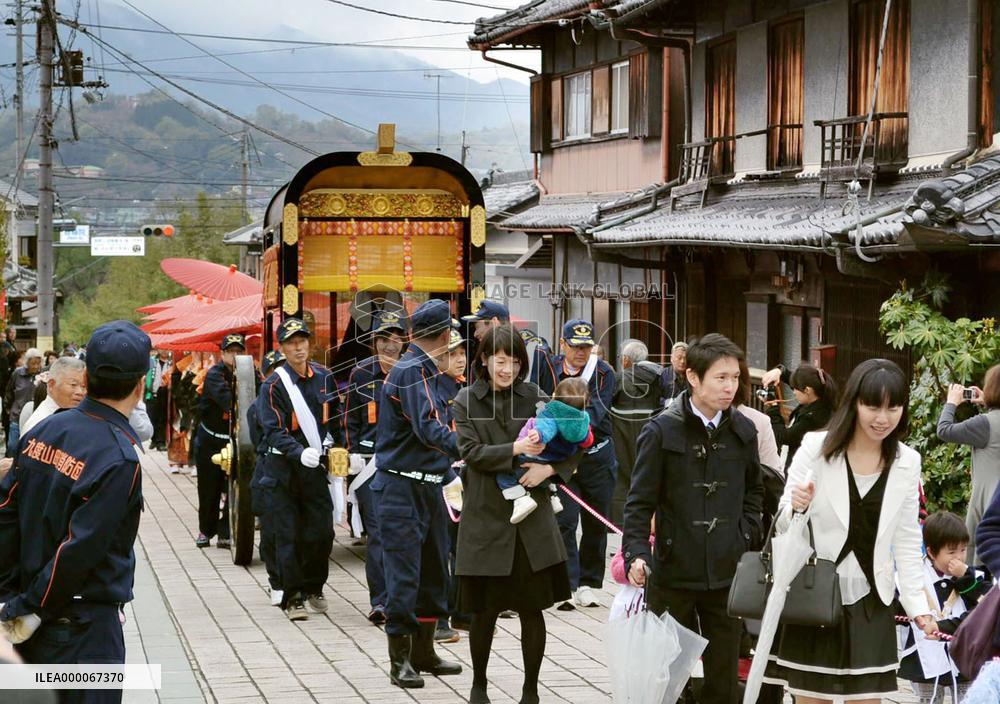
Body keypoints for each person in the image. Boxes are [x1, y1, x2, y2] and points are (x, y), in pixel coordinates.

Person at [761, 358, 936, 703]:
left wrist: (919, 607)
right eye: (873, 406)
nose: (883, 418)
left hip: (872, 600)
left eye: (893, 407)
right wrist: (797, 506)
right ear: (854, 401)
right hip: (816, 595)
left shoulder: (907, 461)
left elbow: (906, 539)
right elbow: (782, 521)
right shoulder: (816, 448)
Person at [0, 320, 150, 703]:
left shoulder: (43, 431)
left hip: (27, 624)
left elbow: (6, 513)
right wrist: (30, 608)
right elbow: (78, 549)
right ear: (140, 385)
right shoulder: (118, 459)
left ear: (85, 375)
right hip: (81, 629)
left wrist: (12, 602)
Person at [624, 333, 764, 704]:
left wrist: (746, 534)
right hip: (673, 568)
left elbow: (755, 492)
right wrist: (635, 552)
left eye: (735, 377)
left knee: (723, 676)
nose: (730, 386)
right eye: (721, 377)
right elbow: (639, 501)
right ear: (693, 378)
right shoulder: (661, 430)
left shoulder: (743, 431)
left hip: (726, 571)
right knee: (668, 676)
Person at [453, 324, 581, 704]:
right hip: (486, 515)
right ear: (485, 361)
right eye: (500, 360)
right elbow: (471, 451)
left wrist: (551, 470)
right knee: (484, 611)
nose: (506, 369)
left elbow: (576, 438)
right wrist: (516, 447)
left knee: (531, 608)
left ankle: (531, 691)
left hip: (532, 518)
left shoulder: (537, 397)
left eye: (514, 361)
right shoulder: (465, 399)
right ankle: (479, 685)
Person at [372, 298, 463, 688]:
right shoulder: (412, 372)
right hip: (401, 487)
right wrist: (475, 448)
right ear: (443, 334)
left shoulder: (424, 369)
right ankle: (400, 660)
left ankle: (424, 651)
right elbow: (429, 428)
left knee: (432, 574)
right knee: (404, 575)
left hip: (428, 486)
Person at [532, 319, 616, 609]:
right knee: (564, 521)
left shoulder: (604, 373)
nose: (581, 352)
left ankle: (589, 583)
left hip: (596, 455)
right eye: (575, 346)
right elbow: (539, 404)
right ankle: (566, 583)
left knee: (596, 523)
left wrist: (556, 419)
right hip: (561, 459)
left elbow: (593, 415)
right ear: (563, 344)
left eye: (586, 347)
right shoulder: (547, 367)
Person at [257, 318, 336, 621]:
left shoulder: (325, 378)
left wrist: (332, 444)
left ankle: (314, 586)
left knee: (322, 532)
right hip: (284, 467)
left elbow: (335, 416)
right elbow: (272, 429)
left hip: (315, 467)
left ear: (310, 343)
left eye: (302, 341)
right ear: (282, 348)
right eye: (291, 343)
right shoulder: (274, 384)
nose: (298, 347)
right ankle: (293, 597)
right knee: (287, 534)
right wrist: (298, 451)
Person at [343, 310, 407, 626]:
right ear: (374, 342)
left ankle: (404, 597)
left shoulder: (413, 373)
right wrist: (352, 455)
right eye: (384, 338)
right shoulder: (360, 374)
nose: (390, 345)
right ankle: (380, 601)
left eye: (396, 338)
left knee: (405, 533)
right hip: (369, 466)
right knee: (378, 534)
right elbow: (348, 421)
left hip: (404, 464)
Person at [898, 511, 991, 704]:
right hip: (925, 651)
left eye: (963, 549)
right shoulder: (914, 576)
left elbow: (985, 603)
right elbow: (900, 607)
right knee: (929, 696)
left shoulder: (970, 576)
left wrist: (965, 576)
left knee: (967, 695)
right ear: (931, 552)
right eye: (951, 552)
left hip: (962, 650)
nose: (959, 557)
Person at [502, 376, 591, 523]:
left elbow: (546, 427)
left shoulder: (549, 407)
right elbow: (586, 440)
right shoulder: (582, 420)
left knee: (505, 472)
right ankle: (553, 496)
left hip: (536, 457)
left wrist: (538, 436)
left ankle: (519, 498)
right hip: (555, 457)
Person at [937, 364, 1000, 565]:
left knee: (982, 568)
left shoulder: (984, 424)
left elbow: (944, 430)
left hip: (988, 504)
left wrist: (951, 403)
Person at [193, 335, 244, 549]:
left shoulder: (250, 373)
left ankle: (226, 531)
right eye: (230, 351)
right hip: (211, 440)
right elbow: (228, 401)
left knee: (235, 486)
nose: (234, 355)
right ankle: (206, 530)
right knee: (209, 487)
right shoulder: (215, 375)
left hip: (236, 440)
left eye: (238, 351)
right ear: (222, 354)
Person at [435, 325, 469, 643]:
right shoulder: (434, 389)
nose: (459, 360)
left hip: (465, 477)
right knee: (440, 548)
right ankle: (439, 616)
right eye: (452, 354)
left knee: (463, 547)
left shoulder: (465, 390)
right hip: (441, 477)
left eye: (462, 353)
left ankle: (461, 609)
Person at [610, 339, 664, 524]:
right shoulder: (660, 378)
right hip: (652, 434)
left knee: (623, 481)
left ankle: (621, 526)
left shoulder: (619, 379)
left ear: (625, 360)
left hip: (621, 437)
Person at [249, 349, 286, 607]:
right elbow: (254, 440)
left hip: (298, 467)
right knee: (272, 528)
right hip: (270, 466)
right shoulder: (257, 406)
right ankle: (276, 581)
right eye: (274, 370)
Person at [760, 362, 837, 470]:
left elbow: (784, 436)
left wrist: (772, 407)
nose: (794, 392)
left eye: (795, 389)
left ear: (807, 390)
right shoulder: (822, 397)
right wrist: (780, 372)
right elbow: (798, 382)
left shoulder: (814, 418)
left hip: (803, 472)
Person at [22, 356, 87, 433]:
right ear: (51, 385)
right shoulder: (40, 423)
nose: (80, 392)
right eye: (73, 384)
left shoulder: (73, 415)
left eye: (84, 386)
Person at [4, 348, 43, 457]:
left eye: (38, 363)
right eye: (33, 363)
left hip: (34, 417)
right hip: (17, 414)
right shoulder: (17, 373)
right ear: (27, 362)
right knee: (12, 446)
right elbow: (9, 391)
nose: (36, 366)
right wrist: (8, 408)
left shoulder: (43, 375)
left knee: (28, 448)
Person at [146, 349, 172, 451]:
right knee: (152, 416)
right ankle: (154, 439)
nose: (164, 351)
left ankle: (160, 441)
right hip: (152, 392)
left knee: (162, 417)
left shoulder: (171, 362)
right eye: (161, 348)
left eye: (165, 348)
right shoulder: (151, 361)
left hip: (165, 392)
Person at [659, 340, 688, 405]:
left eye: (685, 358)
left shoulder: (692, 376)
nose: (682, 361)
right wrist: (667, 402)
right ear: (671, 358)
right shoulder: (662, 375)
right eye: (679, 358)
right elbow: (655, 398)